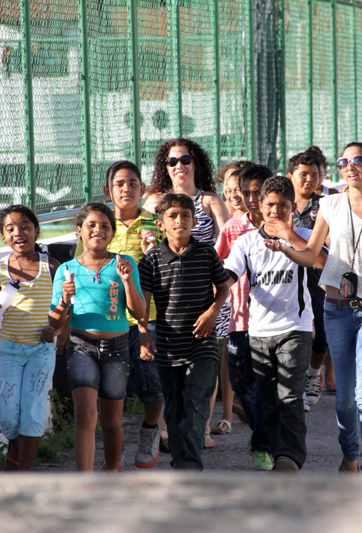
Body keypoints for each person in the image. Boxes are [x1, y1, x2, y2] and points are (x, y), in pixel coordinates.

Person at [268, 142, 362, 472]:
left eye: (358, 160)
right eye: (343, 161)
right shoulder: (330, 205)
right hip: (336, 307)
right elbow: (309, 254)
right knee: (346, 397)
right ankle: (350, 453)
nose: (350, 166)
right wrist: (284, 245)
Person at [226, 176, 327, 471]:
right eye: (270, 205)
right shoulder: (246, 242)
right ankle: (270, 448)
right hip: (258, 331)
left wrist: (289, 234)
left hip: (295, 328)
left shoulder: (305, 235)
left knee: (290, 394)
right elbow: (229, 274)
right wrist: (211, 299)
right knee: (267, 400)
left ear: (292, 207)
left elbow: (321, 261)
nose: (275, 212)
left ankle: (290, 457)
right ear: (259, 206)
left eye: (283, 206)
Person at [144, 138, 231, 449]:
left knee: (206, 358)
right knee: (168, 362)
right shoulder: (155, 201)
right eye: (172, 161)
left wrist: (214, 277)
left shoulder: (209, 200)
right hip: (167, 295)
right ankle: (168, 430)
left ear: (196, 164)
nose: (179, 166)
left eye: (185, 160)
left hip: (207, 291)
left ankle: (202, 429)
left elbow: (228, 240)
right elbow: (144, 238)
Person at [49, 203, 147, 472]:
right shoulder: (66, 270)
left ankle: (112, 470)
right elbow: (54, 323)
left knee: (112, 423)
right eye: (91, 225)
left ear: (112, 233)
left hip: (117, 348)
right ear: (79, 231)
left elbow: (140, 313)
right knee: (86, 416)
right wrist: (65, 302)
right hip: (81, 348)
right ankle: (85, 481)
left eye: (105, 226)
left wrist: (127, 282)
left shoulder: (124, 264)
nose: (98, 230)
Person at [83, 160, 165, 469]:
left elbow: (166, 269)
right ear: (108, 191)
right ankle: (111, 457)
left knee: (152, 385)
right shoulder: (100, 226)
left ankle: (150, 429)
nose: (126, 189)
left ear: (142, 189)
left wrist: (152, 251)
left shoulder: (155, 224)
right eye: (119, 184)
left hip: (149, 318)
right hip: (109, 322)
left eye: (132, 183)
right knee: (110, 392)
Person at [0, 205, 64, 471]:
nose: (19, 232)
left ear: (36, 231)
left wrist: (55, 328)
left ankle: (21, 475)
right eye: (11, 229)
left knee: (31, 414)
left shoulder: (50, 266)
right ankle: (14, 463)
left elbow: (66, 304)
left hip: (40, 351)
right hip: (9, 351)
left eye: (25, 227)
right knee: (9, 417)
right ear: (4, 237)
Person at [214, 164, 273, 470]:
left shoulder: (283, 226)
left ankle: (264, 443)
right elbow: (218, 269)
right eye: (244, 192)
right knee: (243, 385)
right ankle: (261, 431)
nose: (250, 199)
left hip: (276, 322)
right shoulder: (233, 229)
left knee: (271, 387)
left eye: (256, 192)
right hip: (239, 320)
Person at [287, 150, 334, 408]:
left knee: (321, 336)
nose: (309, 180)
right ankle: (292, 384)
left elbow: (328, 245)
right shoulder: (282, 204)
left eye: (314, 175)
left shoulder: (326, 205)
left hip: (318, 281)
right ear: (290, 176)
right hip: (288, 280)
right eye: (303, 175)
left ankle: (314, 375)